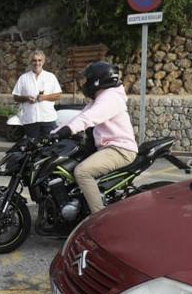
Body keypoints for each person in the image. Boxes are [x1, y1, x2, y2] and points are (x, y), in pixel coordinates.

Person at [57, 62, 138, 215]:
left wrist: (67, 131)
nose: (85, 83)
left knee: (82, 172)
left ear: (98, 80)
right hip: (108, 147)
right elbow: (79, 117)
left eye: (88, 79)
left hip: (120, 149)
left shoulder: (110, 98)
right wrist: (53, 133)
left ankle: (98, 218)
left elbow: (89, 118)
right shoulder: (100, 98)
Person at [11, 51, 63, 139]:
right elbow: (16, 97)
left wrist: (44, 97)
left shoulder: (50, 77)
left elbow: (58, 95)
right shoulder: (23, 78)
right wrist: (27, 98)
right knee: (32, 148)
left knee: (49, 148)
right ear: (31, 62)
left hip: (48, 119)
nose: (37, 63)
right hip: (30, 120)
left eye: (39, 60)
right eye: (34, 60)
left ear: (43, 61)